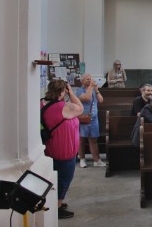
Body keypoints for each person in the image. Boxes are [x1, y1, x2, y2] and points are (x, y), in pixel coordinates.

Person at [41, 80, 84, 219]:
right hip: (63, 151)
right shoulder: (61, 107)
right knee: (63, 179)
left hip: (50, 149)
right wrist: (71, 93)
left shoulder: (42, 103)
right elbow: (80, 108)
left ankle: (55, 202)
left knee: (55, 178)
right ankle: (57, 207)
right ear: (62, 92)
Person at [76, 73, 106, 168]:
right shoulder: (79, 91)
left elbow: (101, 100)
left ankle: (96, 160)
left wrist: (96, 90)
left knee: (93, 139)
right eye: (87, 79)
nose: (89, 81)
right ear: (82, 81)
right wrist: (91, 87)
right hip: (84, 118)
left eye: (90, 79)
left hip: (93, 119)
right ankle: (82, 159)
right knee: (82, 139)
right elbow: (86, 98)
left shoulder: (93, 89)